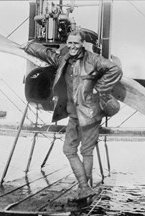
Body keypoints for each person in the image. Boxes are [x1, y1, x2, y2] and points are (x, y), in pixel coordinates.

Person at [22, 30, 123, 200]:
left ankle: (85, 188)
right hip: (74, 114)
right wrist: (28, 46)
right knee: (69, 149)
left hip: (89, 113)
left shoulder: (93, 59)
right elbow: (47, 54)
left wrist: (101, 88)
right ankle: (85, 187)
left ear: (82, 43)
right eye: (70, 43)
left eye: (76, 43)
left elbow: (115, 69)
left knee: (86, 151)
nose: (72, 47)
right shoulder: (65, 58)